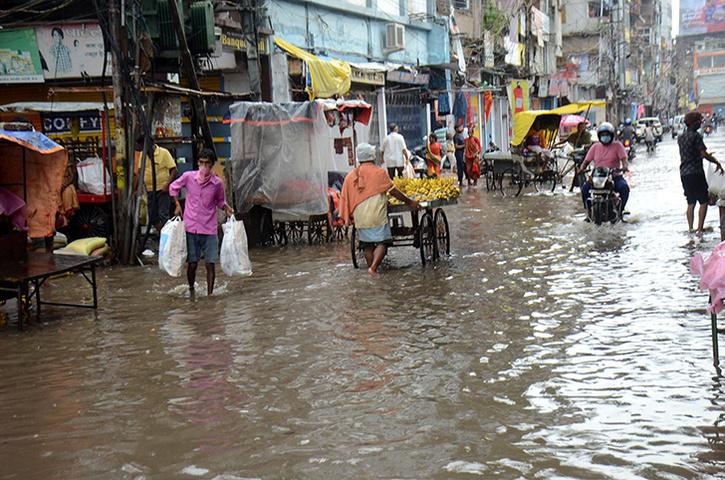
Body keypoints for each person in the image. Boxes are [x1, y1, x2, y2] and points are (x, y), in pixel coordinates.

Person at [339, 143, 418, 275]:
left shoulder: (350, 176)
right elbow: (394, 192)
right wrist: (410, 202)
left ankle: (372, 268)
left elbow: (345, 197)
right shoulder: (379, 172)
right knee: (382, 242)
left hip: (360, 216)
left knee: (367, 244)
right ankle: (373, 268)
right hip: (377, 214)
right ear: (372, 156)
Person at [170, 149, 234, 295]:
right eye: (201, 162)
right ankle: (192, 289)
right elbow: (173, 188)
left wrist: (226, 208)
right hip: (191, 227)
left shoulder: (217, 183)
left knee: (210, 264)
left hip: (209, 229)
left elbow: (219, 201)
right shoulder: (188, 177)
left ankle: (210, 296)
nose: (204, 166)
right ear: (198, 163)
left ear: (212, 165)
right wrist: (177, 204)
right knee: (192, 264)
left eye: (207, 163)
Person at [678, 111, 724, 234]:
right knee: (703, 201)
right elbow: (703, 154)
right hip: (696, 172)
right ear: (694, 123)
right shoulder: (696, 136)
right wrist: (715, 162)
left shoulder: (681, 137)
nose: (700, 123)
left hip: (684, 173)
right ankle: (699, 229)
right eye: (699, 121)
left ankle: (690, 228)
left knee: (690, 201)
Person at [577, 122, 630, 216]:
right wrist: (581, 169)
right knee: (585, 189)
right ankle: (589, 212)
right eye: (602, 135)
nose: (605, 137)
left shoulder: (617, 145)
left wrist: (625, 167)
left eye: (607, 135)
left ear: (611, 135)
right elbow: (586, 161)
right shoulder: (595, 147)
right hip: (597, 177)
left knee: (624, 188)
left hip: (614, 176)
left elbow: (624, 159)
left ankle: (620, 210)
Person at [134, 136, 177, 234]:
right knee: (153, 217)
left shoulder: (163, 153)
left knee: (163, 215)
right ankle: (163, 235)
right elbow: (140, 171)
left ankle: (167, 238)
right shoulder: (143, 154)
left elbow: (174, 170)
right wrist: (138, 187)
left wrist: (167, 185)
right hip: (150, 190)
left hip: (162, 190)